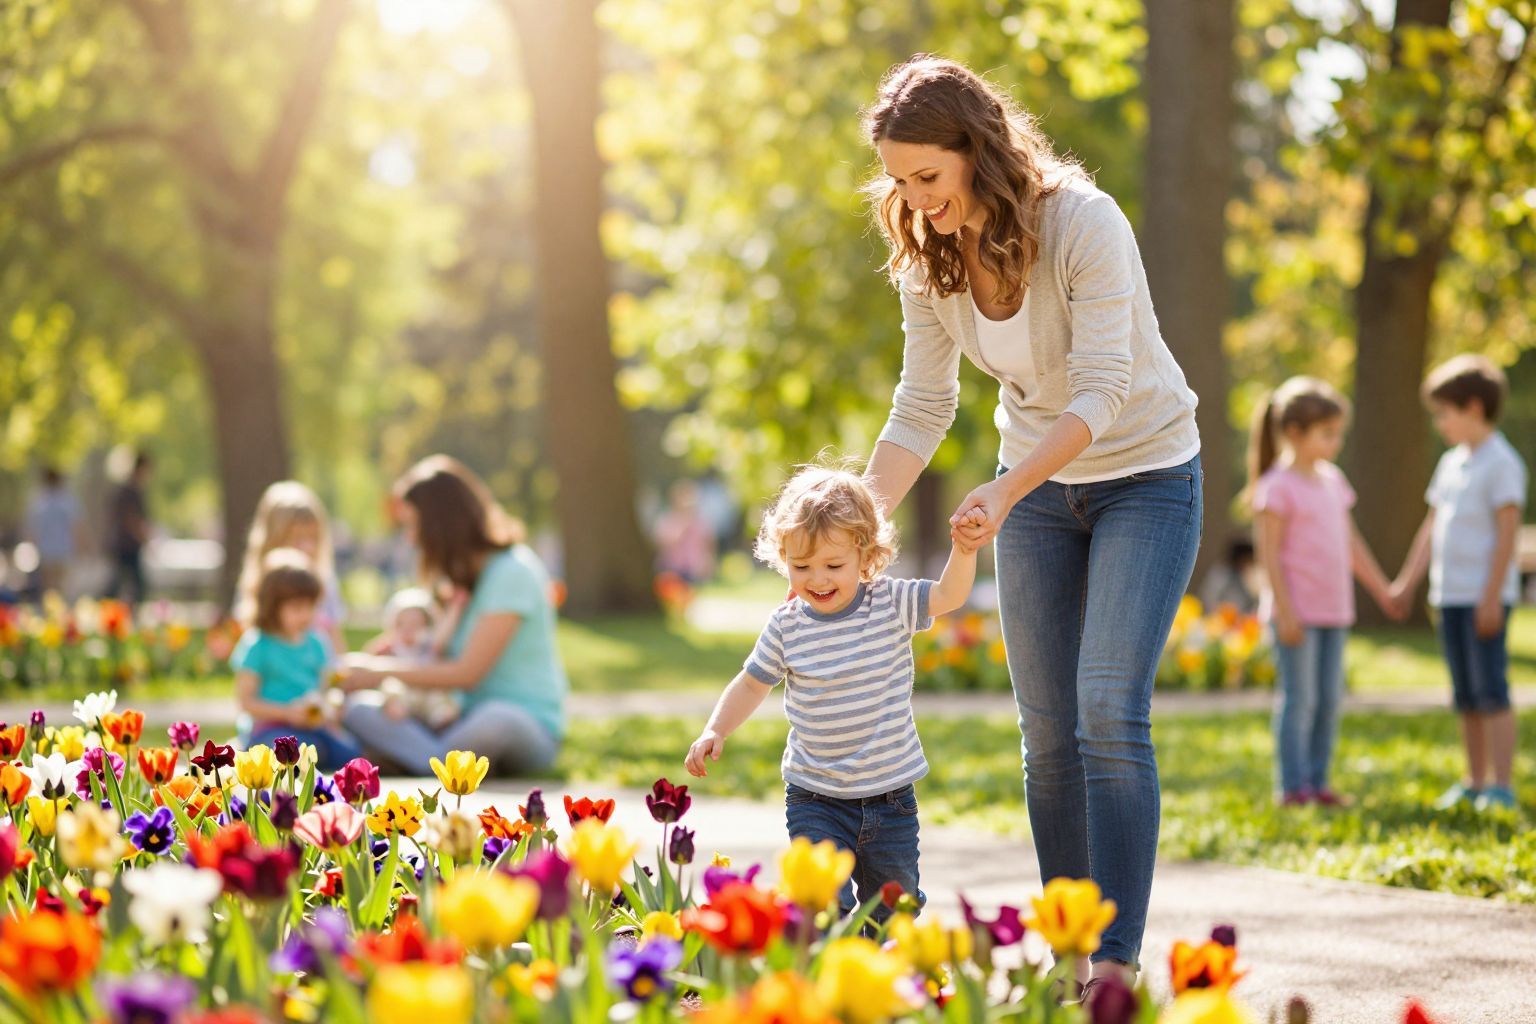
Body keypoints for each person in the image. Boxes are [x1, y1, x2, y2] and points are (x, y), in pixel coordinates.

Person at [857, 55, 1202, 994]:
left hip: (1144, 472)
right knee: (1047, 731)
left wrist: (1005, 489)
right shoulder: (925, 254)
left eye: (928, 175)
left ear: (978, 149)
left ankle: (1118, 963)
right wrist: (852, 516)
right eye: (898, 180)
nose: (915, 198)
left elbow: (1103, 386)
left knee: (1105, 709)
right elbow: (922, 406)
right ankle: (1069, 953)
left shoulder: (1082, 222)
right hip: (1038, 491)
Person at [685, 466, 981, 925]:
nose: (817, 579)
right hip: (815, 797)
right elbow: (750, 682)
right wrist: (715, 728)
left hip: (890, 798)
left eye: (833, 565)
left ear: (865, 555)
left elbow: (949, 595)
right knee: (822, 907)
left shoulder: (891, 603)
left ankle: (880, 983)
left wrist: (963, 550)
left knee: (895, 908)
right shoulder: (786, 626)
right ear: (784, 559)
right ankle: (823, 981)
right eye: (801, 567)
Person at [337, 455, 568, 776]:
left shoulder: (512, 571)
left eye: (413, 525)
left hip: (522, 725)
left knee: (494, 718)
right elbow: (432, 656)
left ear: (440, 525)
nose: (410, 538)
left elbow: (467, 673)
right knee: (359, 709)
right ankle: (432, 762)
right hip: (455, 721)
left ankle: (418, 761)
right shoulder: (461, 580)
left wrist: (378, 673)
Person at [1249, 377, 1398, 807]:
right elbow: (1270, 557)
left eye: (1338, 434)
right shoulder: (1276, 487)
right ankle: (1292, 788)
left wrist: (1382, 589)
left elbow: (1351, 544)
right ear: (1295, 433)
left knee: (1330, 700)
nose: (1336, 443)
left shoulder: (1334, 481)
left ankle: (1318, 782)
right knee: (1301, 701)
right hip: (1297, 614)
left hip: (1335, 611)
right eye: (1328, 434)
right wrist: (1285, 611)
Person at [1391, 355, 1526, 812]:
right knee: (1466, 694)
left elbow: (1508, 534)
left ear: (1472, 408)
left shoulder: (1501, 463)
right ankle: (1475, 780)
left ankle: (1502, 786)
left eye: (1444, 413)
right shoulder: (1451, 464)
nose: (1439, 423)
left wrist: (1492, 597)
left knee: (1492, 691)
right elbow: (1431, 527)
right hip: (1449, 595)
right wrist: (1407, 584)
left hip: (1482, 597)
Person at [231, 549, 361, 771]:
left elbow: (324, 688)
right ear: (273, 606)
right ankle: (245, 751)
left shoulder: (316, 642)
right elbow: (246, 702)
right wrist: (287, 713)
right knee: (299, 750)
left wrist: (328, 708)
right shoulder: (258, 644)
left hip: (310, 726)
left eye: (311, 607)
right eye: (296, 608)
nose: (306, 615)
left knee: (350, 754)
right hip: (268, 727)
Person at [234, 482, 347, 654]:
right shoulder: (261, 584)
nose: (307, 547)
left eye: (313, 538)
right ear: (273, 539)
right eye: (297, 538)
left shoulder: (324, 582)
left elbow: (335, 640)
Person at [366, 587, 464, 732]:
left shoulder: (428, 646)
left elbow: (443, 636)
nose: (408, 629)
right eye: (402, 624)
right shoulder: (390, 646)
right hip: (404, 694)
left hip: (425, 692)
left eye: (415, 624)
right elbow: (369, 659)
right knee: (391, 686)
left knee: (437, 696)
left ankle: (441, 718)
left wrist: (455, 607)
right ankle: (396, 709)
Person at [25, 467, 82, 598]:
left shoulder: (39, 501)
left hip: (47, 547)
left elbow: (32, 527)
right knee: (59, 585)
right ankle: (57, 610)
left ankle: (52, 609)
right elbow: (76, 525)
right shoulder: (66, 500)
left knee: (49, 585)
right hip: (62, 547)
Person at [106, 452, 153, 604]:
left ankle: (110, 607)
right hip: (126, 544)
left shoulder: (133, 490)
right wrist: (143, 538)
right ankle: (107, 607)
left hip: (127, 544)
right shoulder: (131, 491)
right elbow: (130, 518)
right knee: (133, 583)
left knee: (121, 582)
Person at [653, 479, 717, 584]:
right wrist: (683, 525)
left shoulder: (700, 521)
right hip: (672, 568)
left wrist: (708, 562)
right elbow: (664, 543)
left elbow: (709, 543)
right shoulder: (668, 519)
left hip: (694, 569)